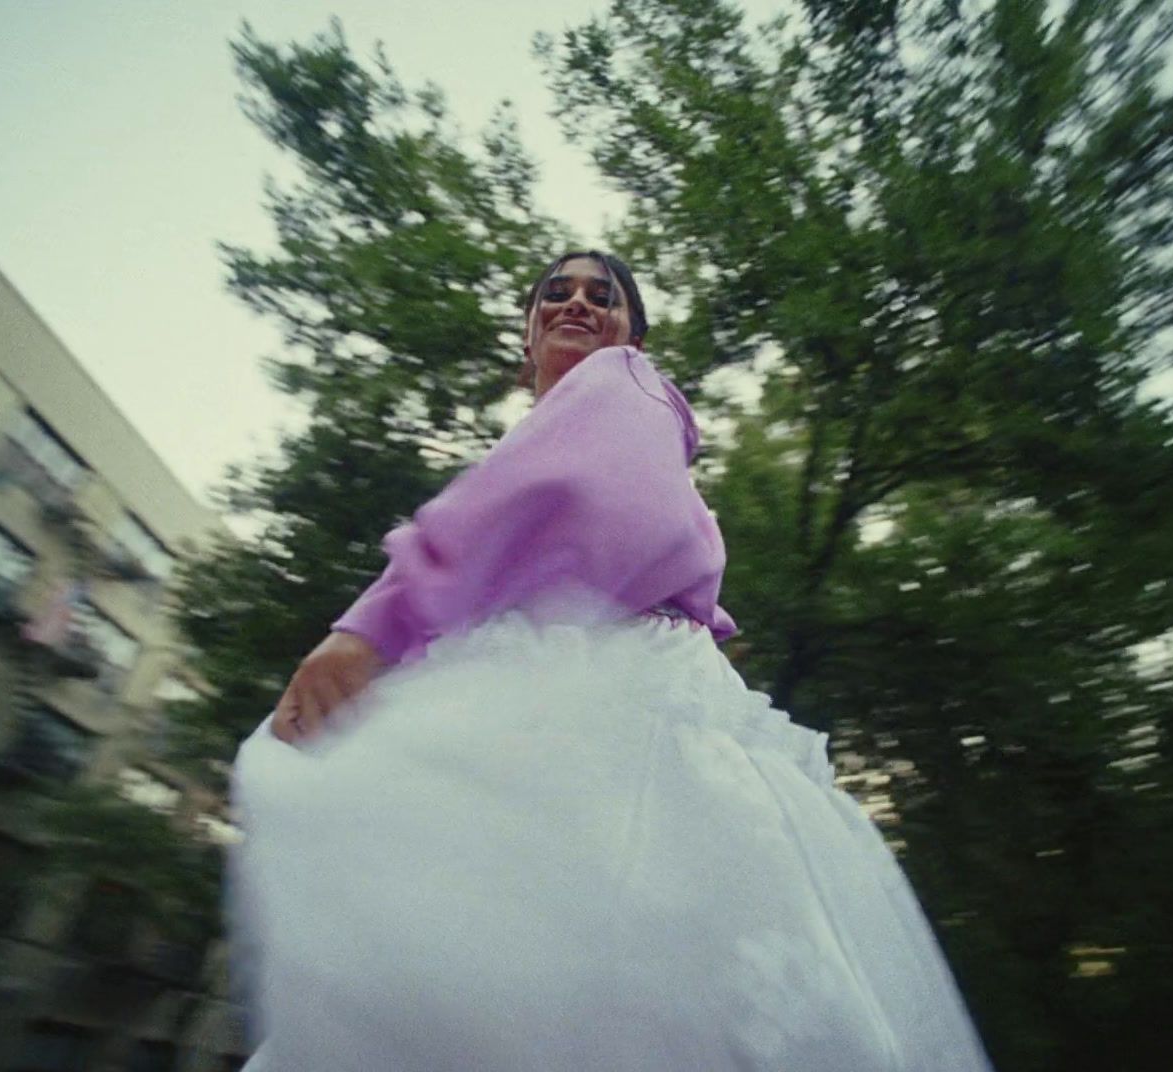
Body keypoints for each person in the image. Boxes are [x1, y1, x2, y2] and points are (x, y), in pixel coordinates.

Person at [228, 251, 993, 1071]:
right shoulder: (552, 443)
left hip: (615, 701)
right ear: (527, 338)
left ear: (633, 332)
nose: (579, 304)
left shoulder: (626, 381)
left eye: (605, 296)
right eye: (555, 294)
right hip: (570, 692)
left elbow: (594, 506)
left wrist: (374, 623)